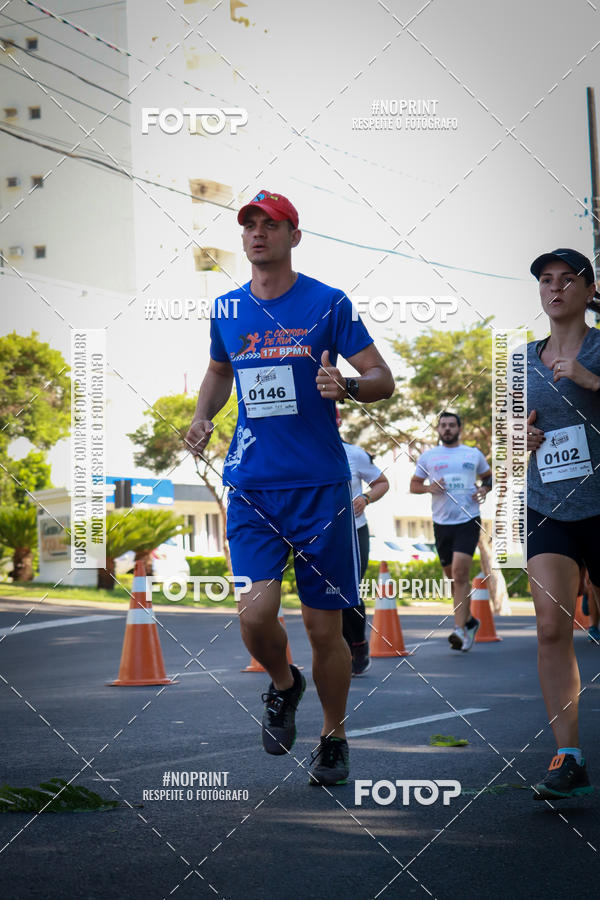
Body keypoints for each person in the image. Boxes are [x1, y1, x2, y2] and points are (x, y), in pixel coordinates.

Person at [185, 190, 394, 786]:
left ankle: (333, 737)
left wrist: (349, 385)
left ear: (292, 236)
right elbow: (220, 371)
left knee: (324, 629)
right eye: (248, 224)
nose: (256, 233)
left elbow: (384, 379)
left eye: (269, 224)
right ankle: (284, 683)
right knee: (254, 615)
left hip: (321, 488)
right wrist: (204, 415)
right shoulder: (227, 309)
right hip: (251, 483)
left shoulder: (328, 303)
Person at [526, 248, 600, 800]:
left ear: (589, 291)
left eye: (567, 279)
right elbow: (505, 445)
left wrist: (591, 382)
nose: (555, 288)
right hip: (547, 505)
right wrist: (517, 442)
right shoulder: (519, 361)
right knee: (552, 626)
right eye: (546, 281)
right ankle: (567, 755)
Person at [409, 412, 492, 651]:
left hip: (468, 519)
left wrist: (484, 490)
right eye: (443, 425)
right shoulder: (429, 457)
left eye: (451, 425)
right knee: (454, 579)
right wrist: (428, 488)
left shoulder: (473, 454)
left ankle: (459, 630)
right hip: (442, 524)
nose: (447, 429)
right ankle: (470, 621)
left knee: (460, 573)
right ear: (438, 430)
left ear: (459, 428)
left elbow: (488, 478)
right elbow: (413, 485)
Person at [338, 415, 390, 675]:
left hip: (353, 531)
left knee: (350, 590)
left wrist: (366, 498)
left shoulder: (354, 454)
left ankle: (357, 645)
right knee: (328, 594)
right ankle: (340, 649)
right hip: (318, 535)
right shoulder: (301, 453)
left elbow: (382, 482)